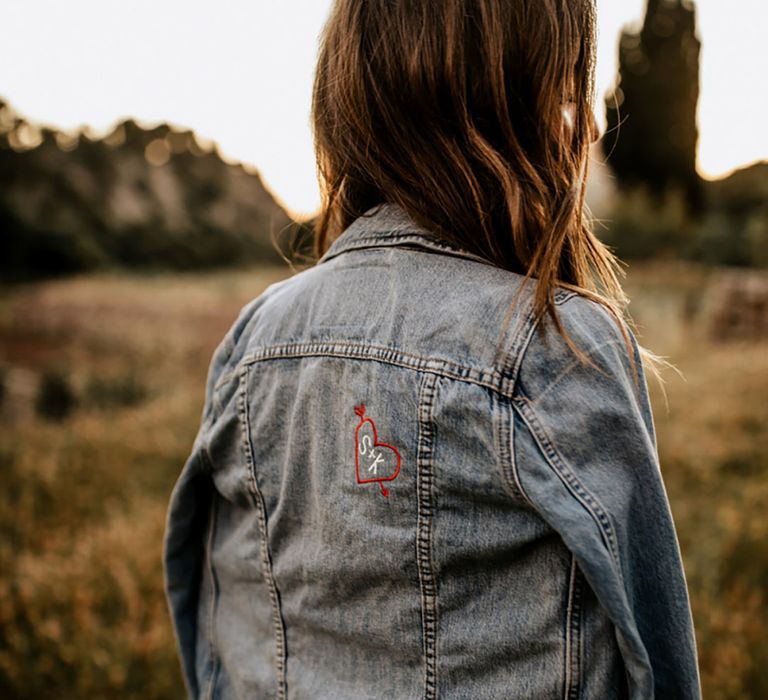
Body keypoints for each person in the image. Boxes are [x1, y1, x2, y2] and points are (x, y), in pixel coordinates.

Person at [162, 1, 702, 698]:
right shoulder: (555, 347)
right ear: (504, 106)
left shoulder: (252, 342)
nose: (590, 127)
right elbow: (656, 661)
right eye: (568, 95)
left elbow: (207, 615)